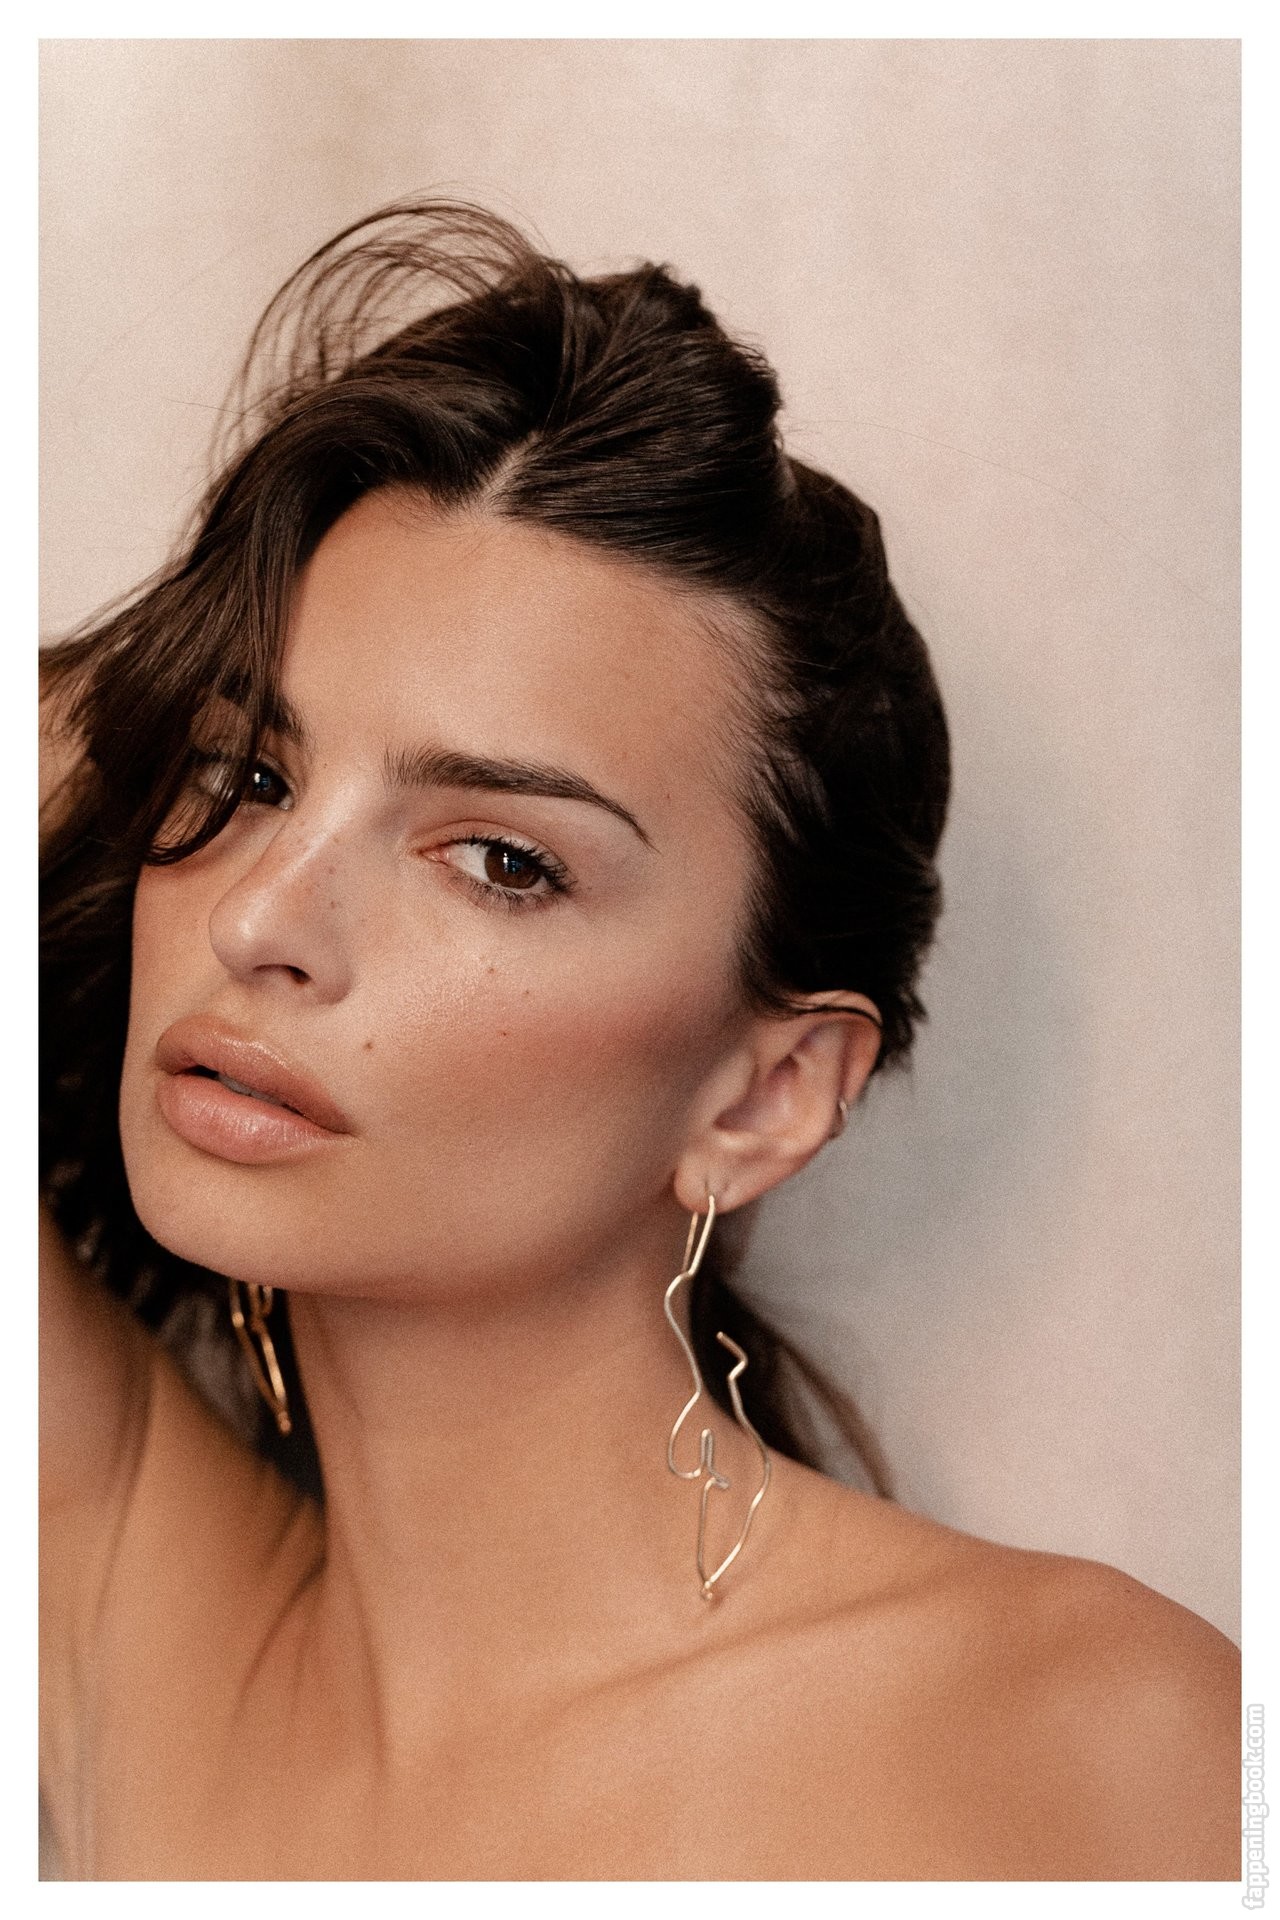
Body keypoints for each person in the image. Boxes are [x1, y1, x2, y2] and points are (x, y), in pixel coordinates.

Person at [39, 200, 1240, 1882]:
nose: (257, 917)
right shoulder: (143, 1640)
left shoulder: (1084, 1736)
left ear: (764, 1094)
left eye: (501, 860)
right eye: (246, 775)